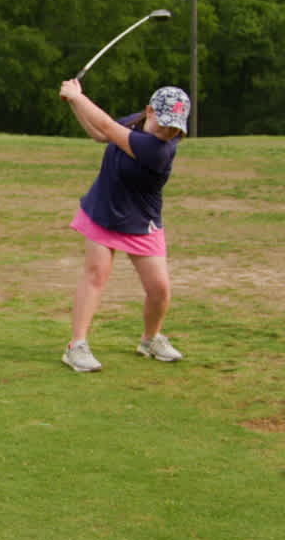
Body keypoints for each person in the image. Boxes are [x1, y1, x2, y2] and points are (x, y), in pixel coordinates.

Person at [57, 79, 191, 373]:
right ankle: (76, 346)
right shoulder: (133, 122)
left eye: (175, 127)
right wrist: (75, 105)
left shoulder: (159, 150)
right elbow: (98, 133)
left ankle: (150, 339)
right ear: (149, 111)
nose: (169, 131)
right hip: (103, 210)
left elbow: (105, 126)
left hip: (142, 222)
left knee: (159, 289)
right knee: (96, 276)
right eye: (165, 122)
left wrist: (78, 97)